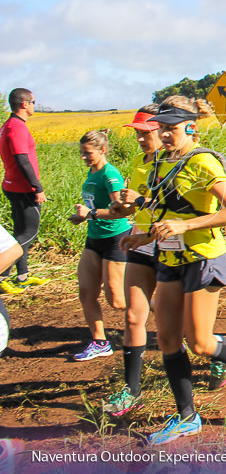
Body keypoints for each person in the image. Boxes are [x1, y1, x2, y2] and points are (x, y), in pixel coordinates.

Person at [119, 97, 226, 445]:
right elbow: (164, 211)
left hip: (204, 256)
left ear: (190, 128)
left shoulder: (203, 162)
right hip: (169, 258)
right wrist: (143, 236)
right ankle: (186, 417)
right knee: (168, 339)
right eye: (161, 130)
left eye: (170, 130)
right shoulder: (160, 162)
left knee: (202, 343)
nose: (163, 136)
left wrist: (184, 227)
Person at [66, 130, 130, 361]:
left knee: (117, 300)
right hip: (93, 239)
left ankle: (162, 308)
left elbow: (120, 211)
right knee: (86, 292)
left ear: (102, 150)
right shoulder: (92, 172)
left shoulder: (110, 174)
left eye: (88, 153)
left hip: (115, 238)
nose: (83, 157)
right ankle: (100, 342)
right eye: (81, 153)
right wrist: (84, 217)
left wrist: (90, 213)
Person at [0, 88, 48, 294]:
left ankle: (22, 276)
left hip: (11, 184)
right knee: (30, 232)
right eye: (34, 102)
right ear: (25, 104)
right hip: (23, 188)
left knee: (20, 231)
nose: (35, 105)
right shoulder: (17, 127)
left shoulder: (7, 126)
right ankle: (2, 275)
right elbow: (22, 159)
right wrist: (37, 187)